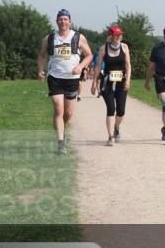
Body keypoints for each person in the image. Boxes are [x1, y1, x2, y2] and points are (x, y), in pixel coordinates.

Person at [37, 9, 92, 155]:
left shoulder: (79, 37)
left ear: (70, 21)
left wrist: (80, 66)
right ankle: (61, 144)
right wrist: (40, 70)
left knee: (68, 113)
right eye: (60, 19)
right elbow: (42, 55)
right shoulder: (49, 38)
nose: (63, 22)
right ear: (57, 21)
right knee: (58, 108)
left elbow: (89, 55)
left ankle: (62, 127)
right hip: (55, 77)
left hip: (72, 79)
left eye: (65, 19)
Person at [91, 26, 131, 146]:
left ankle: (116, 127)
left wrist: (128, 80)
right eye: (116, 35)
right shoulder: (103, 49)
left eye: (120, 35)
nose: (118, 37)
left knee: (121, 111)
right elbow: (98, 67)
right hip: (107, 82)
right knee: (111, 109)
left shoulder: (124, 47)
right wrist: (94, 82)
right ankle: (110, 137)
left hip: (121, 82)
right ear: (110, 36)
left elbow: (128, 65)